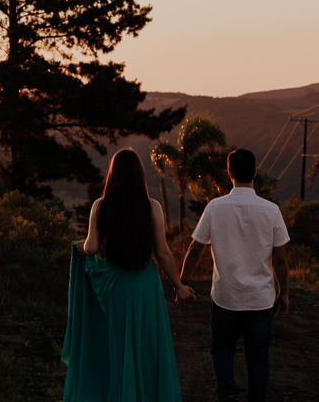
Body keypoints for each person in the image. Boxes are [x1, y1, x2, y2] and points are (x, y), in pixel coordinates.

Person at [62, 148, 195, 402]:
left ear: (112, 175)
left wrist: (84, 244)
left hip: (115, 285)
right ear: (139, 175)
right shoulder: (152, 207)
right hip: (145, 286)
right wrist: (179, 286)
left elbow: (90, 247)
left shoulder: (100, 206)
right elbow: (163, 253)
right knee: (146, 350)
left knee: (119, 348)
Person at [180, 148, 289, 402]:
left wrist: (183, 282)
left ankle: (227, 394)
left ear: (228, 173)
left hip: (225, 298)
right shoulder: (271, 210)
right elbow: (280, 259)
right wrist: (283, 293)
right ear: (255, 172)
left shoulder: (215, 208)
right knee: (258, 357)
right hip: (260, 300)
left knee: (222, 349)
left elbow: (195, 249)